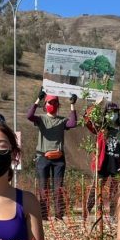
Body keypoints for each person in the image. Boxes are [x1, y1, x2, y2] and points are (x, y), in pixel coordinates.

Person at [27, 90, 78, 220]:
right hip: (42, 157)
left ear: (58, 105)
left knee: (58, 188)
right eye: (50, 102)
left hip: (58, 158)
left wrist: (72, 105)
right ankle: (44, 216)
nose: (53, 104)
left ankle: (59, 216)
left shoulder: (62, 121)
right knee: (43, 188)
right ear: (45, 105)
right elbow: (29, 116)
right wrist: (37, 100)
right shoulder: (41, 119)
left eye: (55, 102)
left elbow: (73, 123)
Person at [85, 102, 120, 216]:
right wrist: (95, 106)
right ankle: (87, 210)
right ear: (105, 114)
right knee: (96, 187)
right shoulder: (101, 127)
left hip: (118, 164)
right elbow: (88, 122)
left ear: (118, 113)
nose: (112, 115)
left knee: (115, 191)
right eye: (109, 112)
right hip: (103, 162)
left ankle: (112, 214)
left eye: (115, 112)